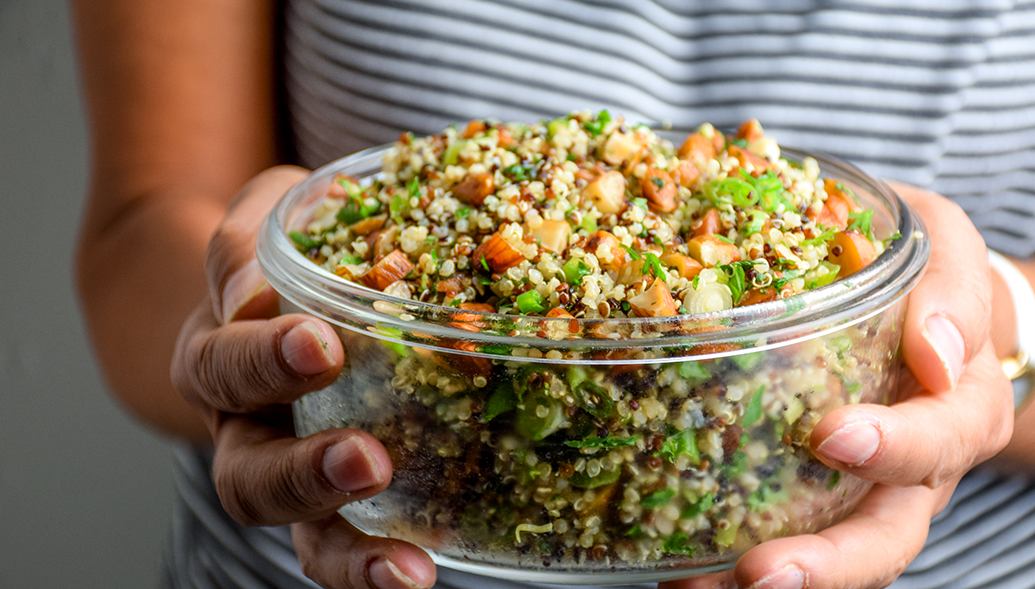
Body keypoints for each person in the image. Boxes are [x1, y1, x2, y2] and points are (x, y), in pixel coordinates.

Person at [70, 1, 1035, 588]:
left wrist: (990, 324)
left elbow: (983, 331)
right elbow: (144, 220)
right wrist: (246, 315)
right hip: (331, 553)